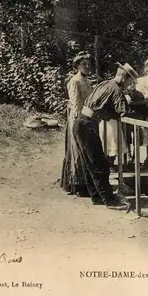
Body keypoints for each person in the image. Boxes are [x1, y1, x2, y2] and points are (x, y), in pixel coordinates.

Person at [73, 62, 139, 210]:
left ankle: (97, 197)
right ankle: (110, 200)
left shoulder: (105, 83)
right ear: (124, 78)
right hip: (87, 124)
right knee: (100, 164)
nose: (129, 85)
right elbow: (123, 112)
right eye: (130, 81)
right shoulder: (117, 90)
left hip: (80, 122)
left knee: (90, 163)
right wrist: (140, 115)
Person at [60, 51, 93, 196]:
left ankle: (86, 183)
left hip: (87, 117)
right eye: (83, 64)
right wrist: (80, 119)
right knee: (78, 150)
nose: (86, 67)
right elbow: (75, 103)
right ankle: (77, 184)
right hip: (78, 118)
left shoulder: (87, 80)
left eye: (88, 64)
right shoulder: (75, 81)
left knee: (86, 149)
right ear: (77, 66)